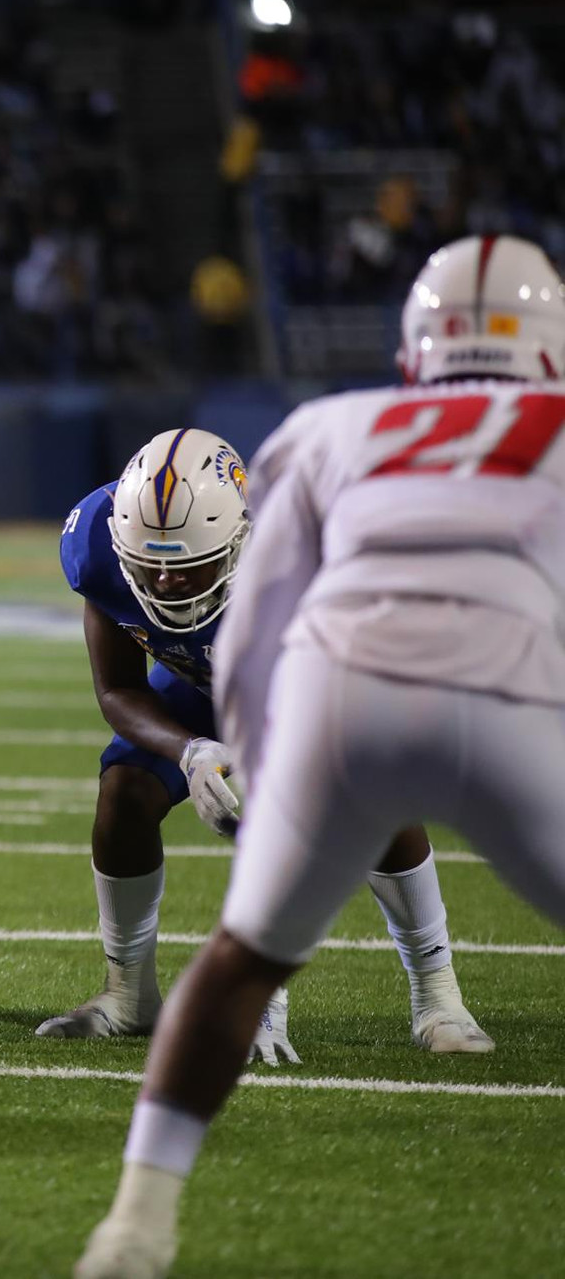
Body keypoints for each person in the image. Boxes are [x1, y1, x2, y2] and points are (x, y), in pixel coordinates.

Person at [75, 234, 565, 1278]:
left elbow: (268, 648)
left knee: (244, 957)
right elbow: (146, 681)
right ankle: (424, 1003)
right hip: (506, 688)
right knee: (148, 810)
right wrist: (219, 751)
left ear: (411, 357)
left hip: (346, 688)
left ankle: (134, 1228)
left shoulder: (330, 429)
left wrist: (275, 787)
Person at [43, 428, 491, 1061]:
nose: (166, 580)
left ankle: (438, 996)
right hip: (203, 684)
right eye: (150, 562)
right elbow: (117, 689)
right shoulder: (99, 547)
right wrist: (191, 751)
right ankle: (129, 994)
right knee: (125, 790)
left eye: (184, 563)